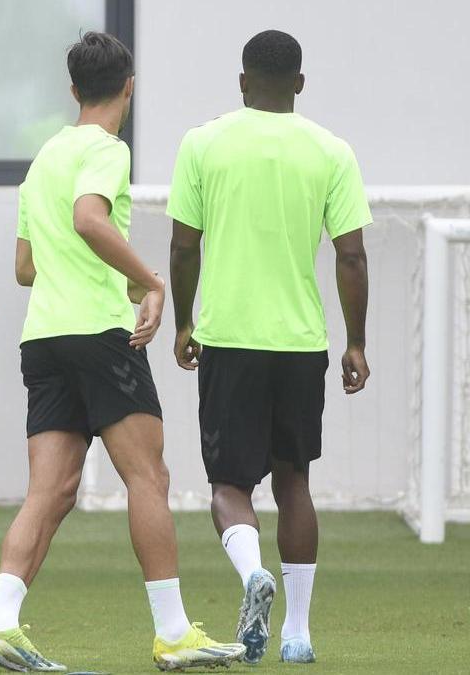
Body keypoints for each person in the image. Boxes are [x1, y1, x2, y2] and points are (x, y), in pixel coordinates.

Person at [0, 32, 245, 672]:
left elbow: (25, 265)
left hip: (44, 338)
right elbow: (90, 219)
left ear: (72, 91)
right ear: (129, 86)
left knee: (51, 490)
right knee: (148, 477)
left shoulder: (43, 158)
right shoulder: (106, 149)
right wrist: (150, 282)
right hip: (99, 336)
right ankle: (175, 633)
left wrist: (110, 276)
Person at [167, 29, 371, 665]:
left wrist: (183, 322)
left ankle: (252, 573)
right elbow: (352, 256)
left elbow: (181, 244)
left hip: (228, 337)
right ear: (301, 85)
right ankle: (299, 633)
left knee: (230, 484)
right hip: (300, 343)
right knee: (294, 482)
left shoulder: (202, 143)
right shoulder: (331, 151)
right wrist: (356, 343)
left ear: (242, 82)